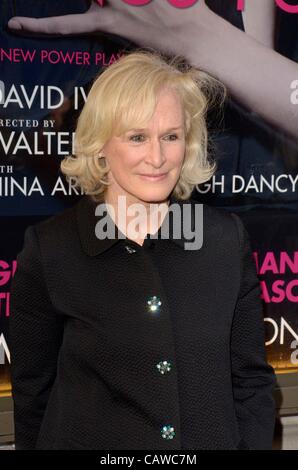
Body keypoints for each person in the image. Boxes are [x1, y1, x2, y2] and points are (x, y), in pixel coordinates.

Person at [9, 49, 277, 450]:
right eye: (137, 137)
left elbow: (252, 383)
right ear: (100, 145)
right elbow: (33, 395)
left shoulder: (224, 240)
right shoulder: (50, 250)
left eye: (170, 136)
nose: (157, 158)